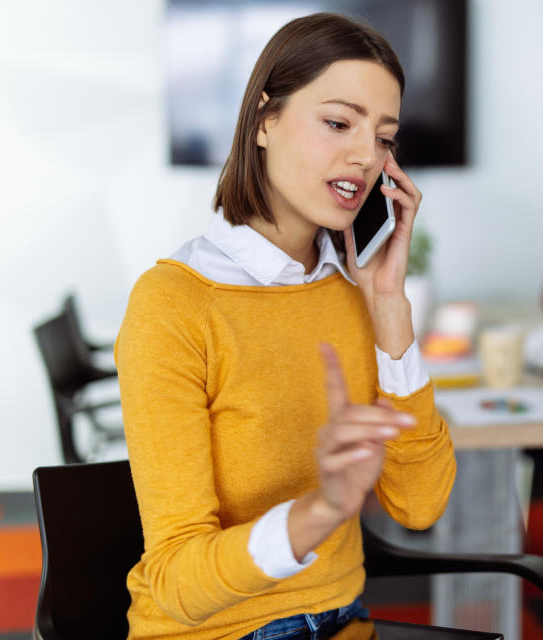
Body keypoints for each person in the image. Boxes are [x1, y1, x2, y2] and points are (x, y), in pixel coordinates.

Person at [114, 14, 456, 640]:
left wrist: (388, 306)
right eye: (337, 122)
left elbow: (421, 504)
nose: (366, 155)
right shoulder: (174, 303)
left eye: (385, 137)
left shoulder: (355, 292)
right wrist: (318, 512)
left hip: (346, 617)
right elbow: (174, 579)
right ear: (265, 120)